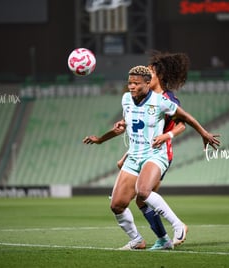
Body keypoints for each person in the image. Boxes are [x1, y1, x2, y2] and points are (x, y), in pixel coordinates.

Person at [83, 65, 220, 250]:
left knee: (143, 191)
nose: (131, 86)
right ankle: (137, 240)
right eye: (129, 83)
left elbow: (185, 118)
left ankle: (178, 225)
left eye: (136, 83)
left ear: (148, 83)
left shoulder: (160, 101)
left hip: (155, 154)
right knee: (117, 205)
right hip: (133, 156)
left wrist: (203, 133)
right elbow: (125, 126)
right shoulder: (126, 99)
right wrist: (100, 139)